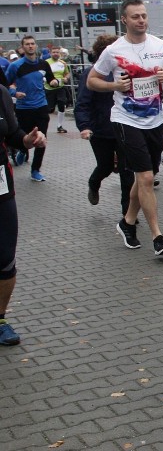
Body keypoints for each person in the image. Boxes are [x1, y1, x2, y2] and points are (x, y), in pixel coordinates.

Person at [86, 0, 163, 256]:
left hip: (155, 119)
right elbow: (92, 81)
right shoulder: (113, 51)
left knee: (145, 178)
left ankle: (127, 222)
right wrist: (114, 86)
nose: (141, 20)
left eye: (144, 15)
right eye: (136, 16)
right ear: (124, 20)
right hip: (125, 119)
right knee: (147, 178)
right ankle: (157, 236)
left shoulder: (160, 46)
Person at [1, 86, 47, 345]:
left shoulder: (0, 93)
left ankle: (0, 320)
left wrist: (29, 140)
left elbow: (13, 133)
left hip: (1, 185)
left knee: (5, 257)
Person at [74, 34, 133, 213]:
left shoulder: (126, 71)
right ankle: (94, 182)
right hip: (101, 130)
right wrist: (84, 126)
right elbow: (83, 103)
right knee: (106, 166)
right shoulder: (91, 74)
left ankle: (127, 213)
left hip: (124, 127)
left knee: (127, 170)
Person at [4, 36, 58, 182]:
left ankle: (35, 170)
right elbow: (4, 85)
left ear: (36, 46)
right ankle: (22, 149)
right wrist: (15, 93)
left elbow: (51, 78)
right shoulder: (16, 66)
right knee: (25, 136)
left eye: (32, 44)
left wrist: (54, 82)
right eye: (27, 44)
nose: (30, 46)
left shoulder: (43, 64)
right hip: (24, 108)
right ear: (22, 47)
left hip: (41, 106)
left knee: (41, 139)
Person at [45, 47, 71, 134]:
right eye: (53, 52)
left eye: (57, 52)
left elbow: (67, 73)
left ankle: (59, 126)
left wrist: (66, 78)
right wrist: (49, 81)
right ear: (50, 53)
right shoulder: (46, 63)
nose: (55, 54)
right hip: (49, 88)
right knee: (49, 109)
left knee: (61, 103)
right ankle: (43, 125)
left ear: (59, 53)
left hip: (60, 87)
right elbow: (42, 74)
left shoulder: (62, 63)